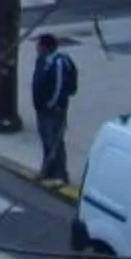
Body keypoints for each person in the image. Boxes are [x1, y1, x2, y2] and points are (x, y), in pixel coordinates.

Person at [30, 31, 80, 188]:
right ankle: (47, 170)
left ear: (45, 47)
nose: (37, 47)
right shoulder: (41, 60)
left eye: (39, 45)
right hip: (41, 108)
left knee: (55, 141)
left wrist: (51, 104)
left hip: (54, 109)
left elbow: (59, 87)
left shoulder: (58, 63)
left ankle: (61, 175)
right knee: (46, 139)